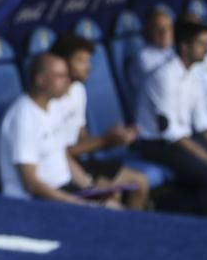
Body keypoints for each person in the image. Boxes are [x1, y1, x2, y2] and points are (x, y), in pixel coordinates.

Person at [0, 53, 125, 206]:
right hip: (34, 202)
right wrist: (80, 204)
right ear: (41, 80)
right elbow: (31, 184)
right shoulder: (23, 117)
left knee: (113, 196)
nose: (67, 80)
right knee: (112, 210)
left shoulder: (53, 106)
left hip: (62, 191)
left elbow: (63, 155)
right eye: (60, 76)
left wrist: (90, 186)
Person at [49, 33, 149, 210]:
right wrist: (104, 141)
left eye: (88, 61)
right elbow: (61, 153)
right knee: (112, 196)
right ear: (62, 62)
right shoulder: (49, 101)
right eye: (80, 61)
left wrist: (113, 139)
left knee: (140, 182)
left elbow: (80, 136)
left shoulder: (78, 90)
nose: (87, 67)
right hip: (61, 169)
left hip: (79, 163)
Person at [135, 17, 207, 217]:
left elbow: (203, 122)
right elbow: (171, 133)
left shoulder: (193, 73)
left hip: (183, 140)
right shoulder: (164, 76)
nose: (206, 49)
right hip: (155, 145)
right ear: (184, 47)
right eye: (201, 44)